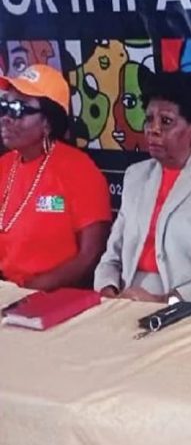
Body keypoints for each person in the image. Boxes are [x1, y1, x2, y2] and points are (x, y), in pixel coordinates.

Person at [94, 72, 191, 306]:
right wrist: (108, 294)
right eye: (149, 119)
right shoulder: (136, 176)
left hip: (190, 309)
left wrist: (166, 301)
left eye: (166, 121)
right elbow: (111, 256)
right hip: (126, 301)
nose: (153, 129)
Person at [0, 65, 111, 289]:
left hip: (54, 296)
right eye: (4, 106)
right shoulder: (5, 165)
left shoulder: (78, 170)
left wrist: (30, 292)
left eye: (19, 109)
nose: (6, 118)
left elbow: (90, 255)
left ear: (48, 123)